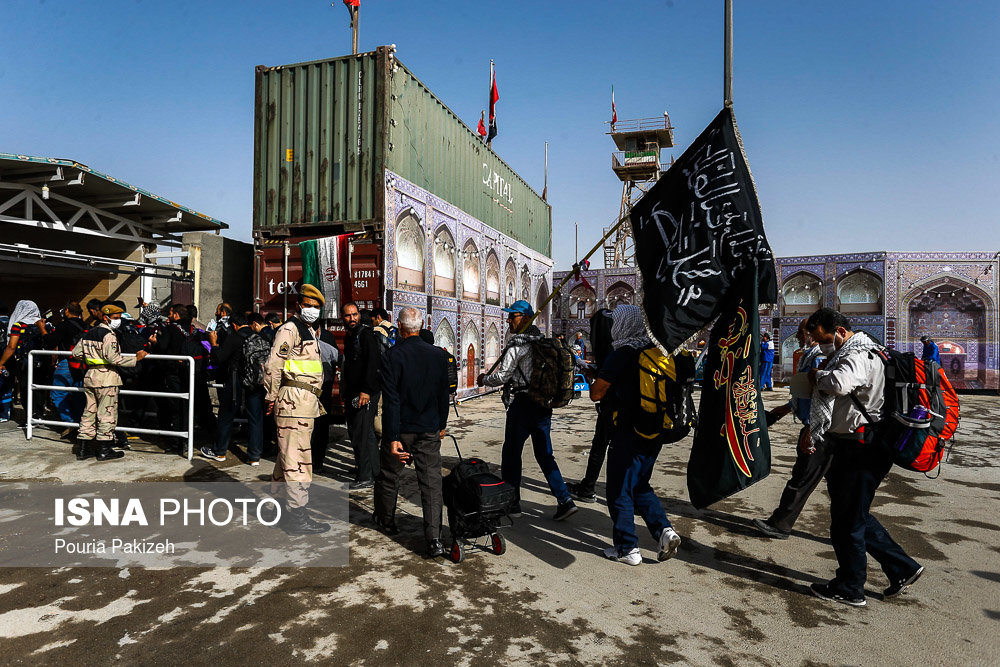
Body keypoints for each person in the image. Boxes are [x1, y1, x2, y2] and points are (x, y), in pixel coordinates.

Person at [805, 308, 923, 607]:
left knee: (847, 522)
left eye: (824, 339)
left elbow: (840, 384)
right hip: (858, 445)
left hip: (860, 448)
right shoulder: (872, 350)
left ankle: (850, 587)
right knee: (854, 514)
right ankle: (902, 568)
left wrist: (818, 375)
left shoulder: (858, 353)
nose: (822, 346)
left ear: (840, 331)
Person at [588, 305, 681, 565]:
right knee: (639, 484)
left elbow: (597, 393)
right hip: (655, 430)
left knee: (619, 490)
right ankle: (665, 531)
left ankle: (627, 548)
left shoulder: (622, 353)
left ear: (623, 325)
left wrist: (598, 378)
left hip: (627, 432)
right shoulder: (657, 353)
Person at [478, 300, 577, 521]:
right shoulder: (540, 342)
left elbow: (502, 376)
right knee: (545, 454)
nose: (508, 321)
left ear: (524, 318)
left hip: (523, 404)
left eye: (512, 316)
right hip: (542, 404)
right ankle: (565, 500)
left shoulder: (518, 345)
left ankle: (512, 504)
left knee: (511, 454)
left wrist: (484, 379)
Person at [373, 307, 451, 557]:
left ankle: (386, 520)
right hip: (428, 428)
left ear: (400, 326)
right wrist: (441, 424)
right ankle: (434, 539)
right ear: (420, 326)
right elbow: (443, 395)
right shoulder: (438, 355)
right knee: (431, 483)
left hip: (402, 428)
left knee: (389, 475)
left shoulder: (392, 356)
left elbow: (392, 400)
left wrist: (393, 437)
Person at [752, 319, 828, 539]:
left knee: (801, 479)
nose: (797, 336)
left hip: (819, 428)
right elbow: (804, 392)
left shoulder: (819, 357)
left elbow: (821, 397)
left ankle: (780, 525)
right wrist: (786, 408)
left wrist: (811, 429)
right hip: (817, 425)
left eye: (801, 332)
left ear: (814, 334)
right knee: (843, 493)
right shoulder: (808, 355)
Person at [263, 284, 329, 534]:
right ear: (298, 305)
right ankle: (297, 516)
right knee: (298, 459)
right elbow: (273, 365)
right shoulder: (290, 329)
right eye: (308, 305)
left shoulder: (308, 330)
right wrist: (271, 395)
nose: (312, 310)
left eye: (316, 306)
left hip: (304, 402)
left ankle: (279, 508)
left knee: (285, 458)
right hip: (293, 403)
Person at [70, 303, 149, 461]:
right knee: (107, 413)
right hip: (107, 378)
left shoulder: (89, 333)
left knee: (89, 413)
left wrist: (91, 358)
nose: (118, 321)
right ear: (106, 318)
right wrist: (136, 359)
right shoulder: (109, 335)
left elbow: (76, 353)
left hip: (90, 376)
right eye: (115, 318)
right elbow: (113, 358)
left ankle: (84, 448)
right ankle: (104, 448)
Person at [568, 307, 615, 503]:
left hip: (613, 408)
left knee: (601, 447)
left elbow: (596, 394)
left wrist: (596, 379)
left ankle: (590, 488)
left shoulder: (617, 353)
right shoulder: (629, 347)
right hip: (627, 410)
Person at [341, 301, 381, 490]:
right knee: (367, 433)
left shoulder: (365, 334)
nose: (352, 318)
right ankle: (374, 470)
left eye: (354, 314)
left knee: (361, 434)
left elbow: (372, 363)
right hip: (354, 391)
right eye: (348, 315)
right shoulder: (351, 335)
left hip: (365, 393)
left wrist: (366, 390)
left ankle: (365, 476)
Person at [201, 313, 251, 462]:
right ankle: (255, 455)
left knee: (225, 417)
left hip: (235, 380)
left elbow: (220, 357)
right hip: (254, 382)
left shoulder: (235, 337)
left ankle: (219, 451)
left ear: (234, 325)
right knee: (255, 418)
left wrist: (214, 344)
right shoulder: (256, 336)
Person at [0, 300, 52, 423]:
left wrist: (1, 362)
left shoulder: (19, 325)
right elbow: (52, 344)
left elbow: (11, 346)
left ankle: (30, 417)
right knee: (39, 389)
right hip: (42, 362)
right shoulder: (45, 324)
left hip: (24, 363)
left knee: (25, 389)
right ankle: (38, 415)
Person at [44, 301, 87, 425]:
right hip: (83, 364)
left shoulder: (63, 326)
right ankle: (79, 422)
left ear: (67, 311)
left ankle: (69, 422)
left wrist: (42, 329)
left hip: (66, 363)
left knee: (57, 393)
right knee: (78, 394)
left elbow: (50, 342)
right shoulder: (86, 326)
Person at [311, 319, 340, 473]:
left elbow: (337, 359)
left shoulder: (327, 338)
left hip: (322, 390)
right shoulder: (301, 337)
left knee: (321, 426)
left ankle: (317, 460)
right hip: (309, 391)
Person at [242, 313, 270, 466]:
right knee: (266, 419)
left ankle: (254, 455)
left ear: (253, 324)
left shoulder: (248, 340)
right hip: (266, 384)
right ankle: (267, 448)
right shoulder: (267, 339)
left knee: (254, 420)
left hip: (252, 385)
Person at [370, 307, 397, 444]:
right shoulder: (396, 330)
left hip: (381, 375)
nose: (372, 322)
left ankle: (380, 438)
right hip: (394, 376)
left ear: (378, 317)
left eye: (373, 319)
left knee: (378, 410)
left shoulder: (376, 332)